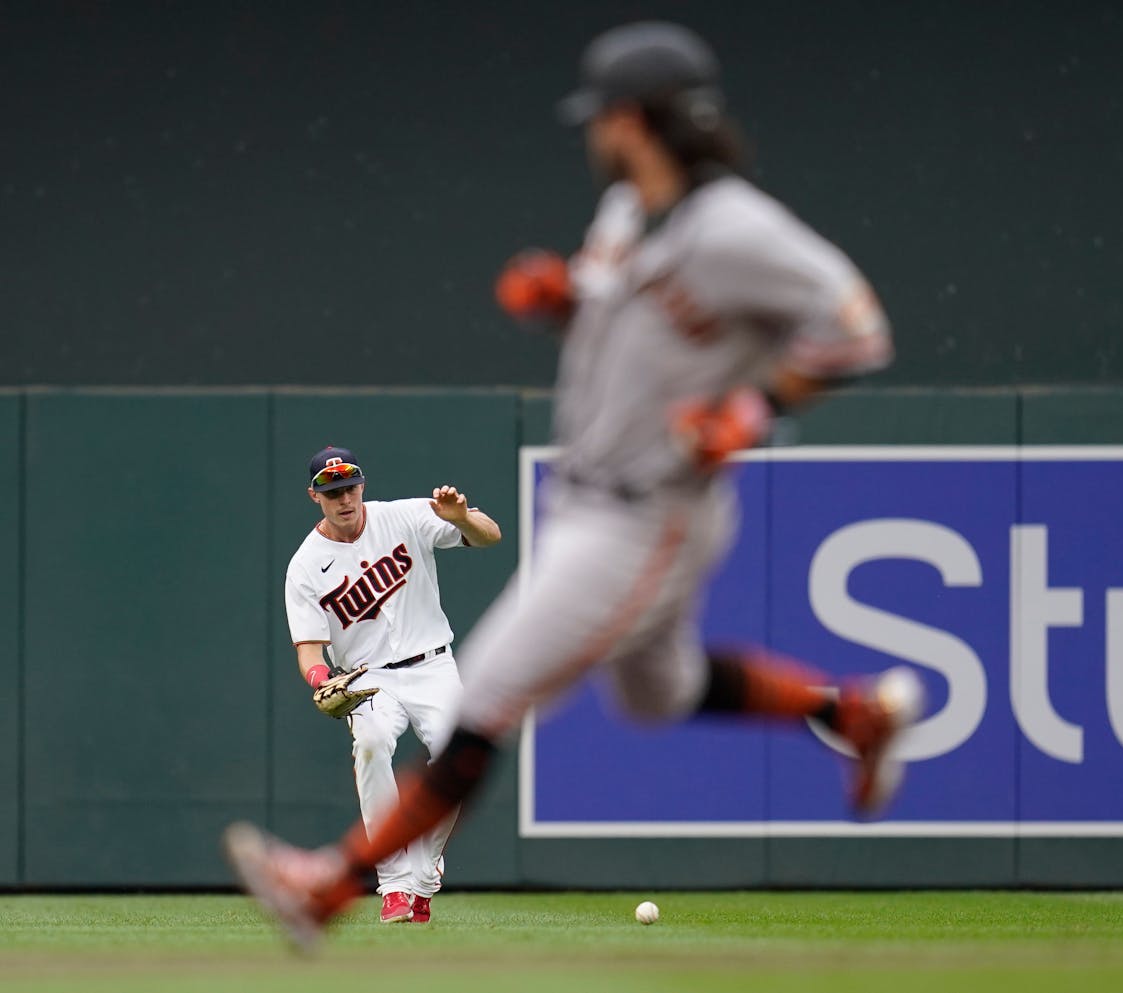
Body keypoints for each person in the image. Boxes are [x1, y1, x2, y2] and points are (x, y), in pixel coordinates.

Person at [225, 22, 923, 948]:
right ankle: (854, 713)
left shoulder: (735, 225)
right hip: (593, 497)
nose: (594, 135)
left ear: (635, 120)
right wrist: (564, 304)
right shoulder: (631, 214)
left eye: (603, 119)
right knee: (658, 691)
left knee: (485, 702)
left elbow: (856, 326)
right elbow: (629, 336)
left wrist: (750, 411)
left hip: (645, 512)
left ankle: (331, 888)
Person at [283, 446, 501, 925]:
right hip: (367, 677)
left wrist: (463, 518)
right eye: (332, 491)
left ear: (363, 484)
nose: (344, 498)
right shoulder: (305, 565)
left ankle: (421, 878)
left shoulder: (402, 516)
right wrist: (322, 680)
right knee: (373, 745)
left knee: (459, 758)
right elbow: (309, 651)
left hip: (433, 665)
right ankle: (396, 885)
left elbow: (490, 536)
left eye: (350, 487)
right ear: (314, 496)